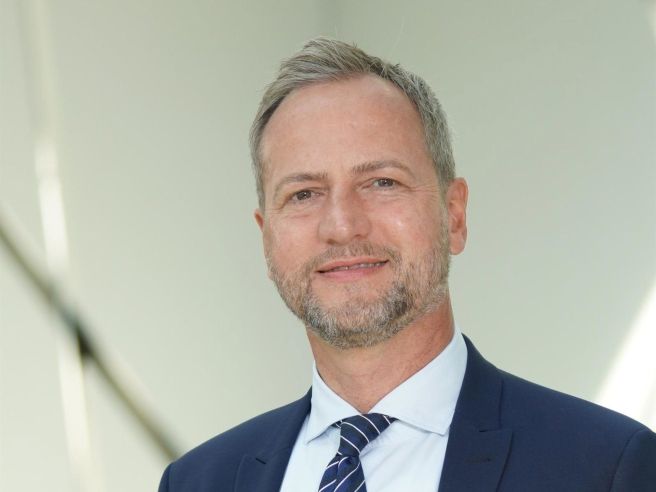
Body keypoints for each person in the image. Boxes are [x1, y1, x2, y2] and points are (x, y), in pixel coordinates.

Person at [158, 38, 656, 492]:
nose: (342, 225)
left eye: (382, 182)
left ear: (454, 215)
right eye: (304, 193)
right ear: (266, 235)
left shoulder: (605, 466)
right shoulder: (197, 482)